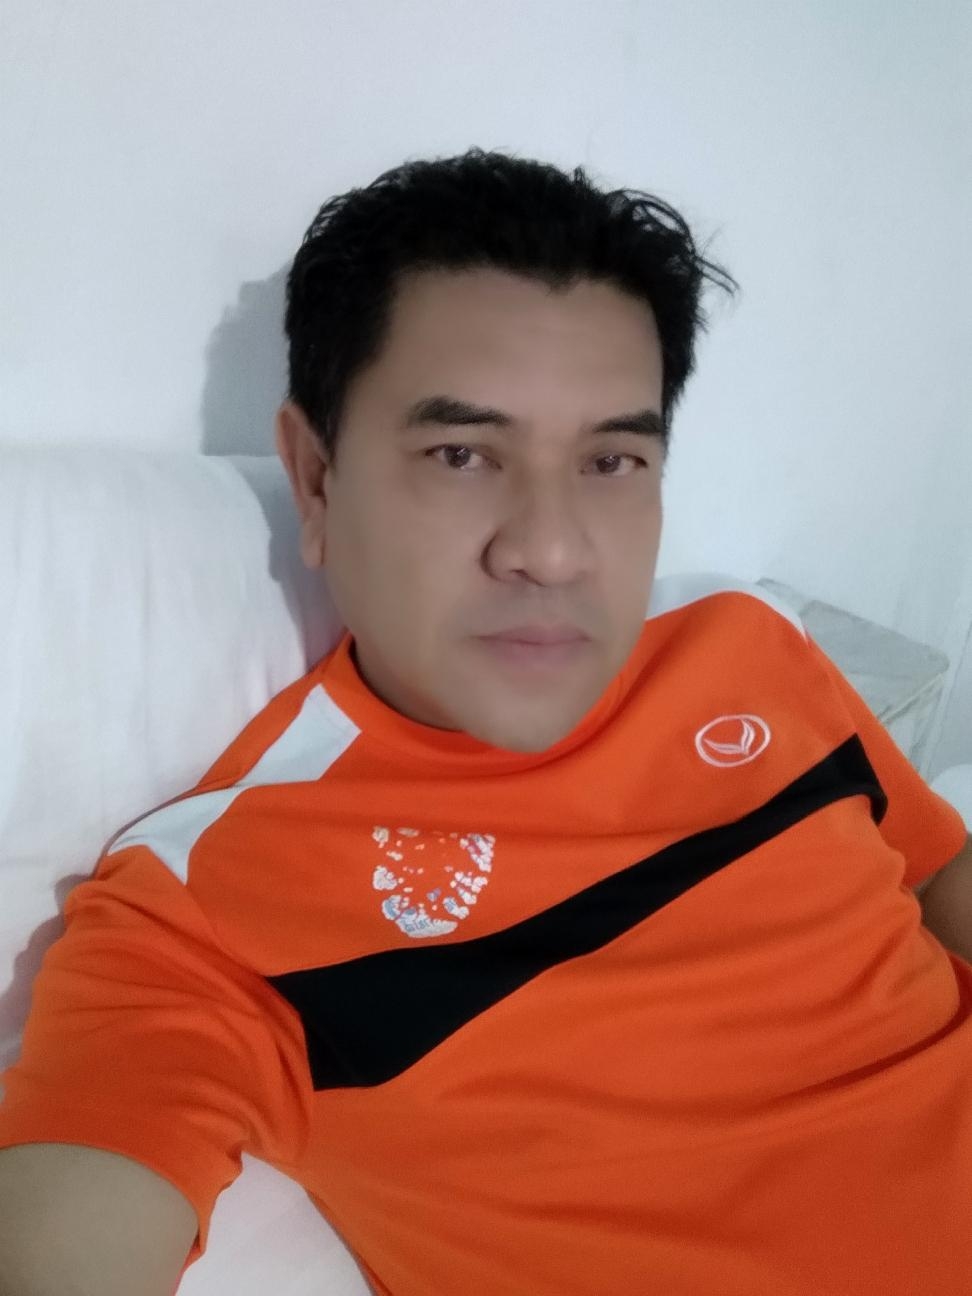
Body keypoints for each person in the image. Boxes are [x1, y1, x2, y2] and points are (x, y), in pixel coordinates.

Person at [0, 147, 970, 1296]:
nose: (551, 550)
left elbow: (939, 876)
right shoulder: (207, 911)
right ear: (315, 480)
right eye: (461, 455)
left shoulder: (749, 650)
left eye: (613, 459)